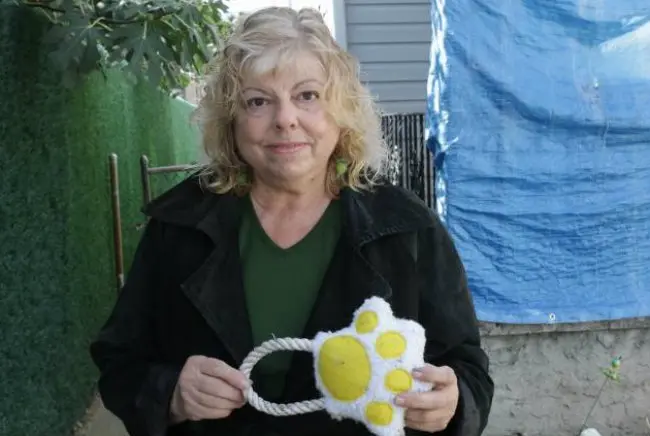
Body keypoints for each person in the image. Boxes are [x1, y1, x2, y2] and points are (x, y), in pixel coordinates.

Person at [90, 6, 494, 436]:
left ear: (341, 113)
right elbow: (120, 359)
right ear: (233, 121)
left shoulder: (409, 230)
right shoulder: (179, 228)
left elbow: (468, 369)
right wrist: (170, 394)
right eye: (258, 101)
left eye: (307, 95)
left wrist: (452, 404)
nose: (285, 119)